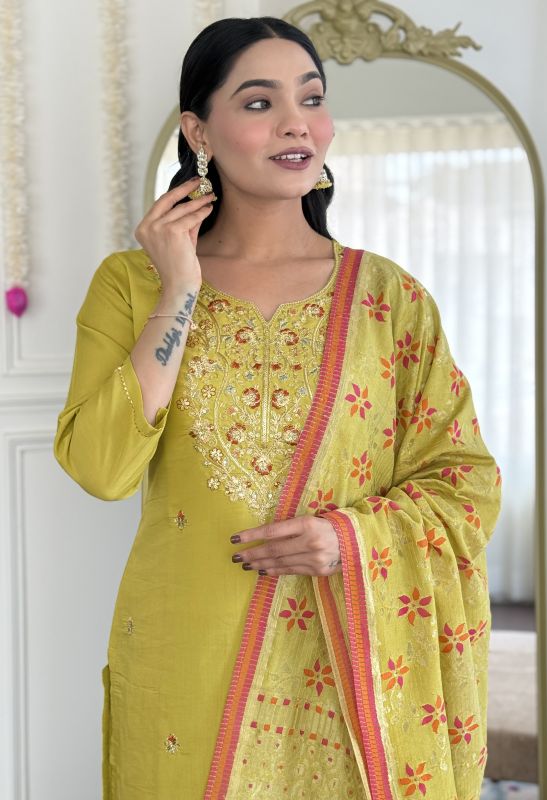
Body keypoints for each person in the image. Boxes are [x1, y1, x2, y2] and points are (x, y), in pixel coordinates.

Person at [54, 16, 501, 800]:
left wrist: (350, 539)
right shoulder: (133, 285)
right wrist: (180, 290)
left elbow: (467, 483)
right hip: (188, 662)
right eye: (260, 102)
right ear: (199, 131)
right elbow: (100, 468)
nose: (297, 123)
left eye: (312, 98)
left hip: (349, 666)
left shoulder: (388, 299)